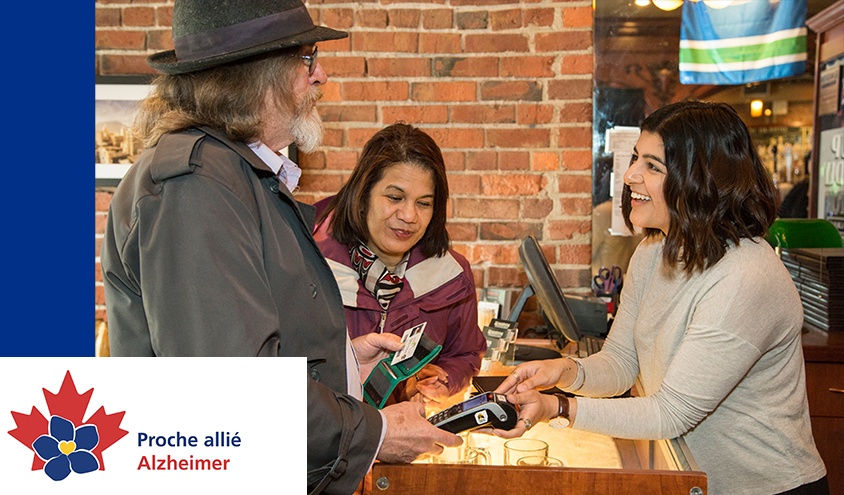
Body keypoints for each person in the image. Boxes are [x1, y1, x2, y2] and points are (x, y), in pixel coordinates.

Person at [99, 2, 461, 493]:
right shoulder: (196, 186)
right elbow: (232, 393)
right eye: (309, 58)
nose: (322, 75)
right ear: (258, 74)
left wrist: (343, 362)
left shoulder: (232, 175)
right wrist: (373, 433)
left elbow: (245, 338)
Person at [493, 101, 828, 495]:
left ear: (703, 179)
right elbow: (622, 362)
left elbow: (671, 412)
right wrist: (565, 372)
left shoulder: (745, 276)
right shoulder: (653, 254)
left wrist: (559, 408)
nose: (631, 175)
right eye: (636, 159)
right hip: (695, 482)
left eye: (653, 166)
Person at [312, 123, 487, 409]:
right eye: (394, 197)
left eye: (424, 203)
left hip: (409, 442)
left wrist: (443, 378)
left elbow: (465, 354)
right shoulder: (308, 264)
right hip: (328, 442)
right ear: (363, 192)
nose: (408, 215)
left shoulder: (452, 274)